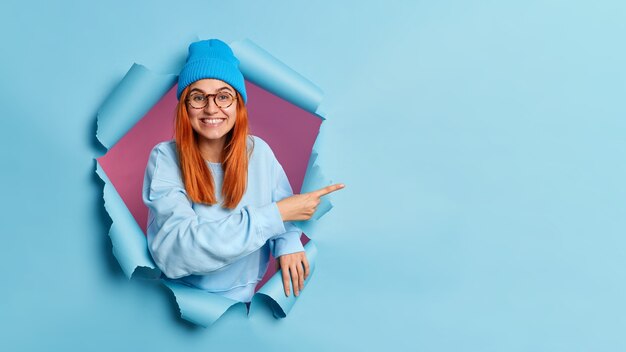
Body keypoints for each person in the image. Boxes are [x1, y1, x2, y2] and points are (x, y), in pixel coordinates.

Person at [142, 39, 344, 304]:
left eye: (223, 96)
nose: (211, 108)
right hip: (182, 302)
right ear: (185, 107)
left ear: (238, 104)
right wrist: (278, 213)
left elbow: (284, 218)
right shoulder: (165, 158)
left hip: (244, 305)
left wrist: (288, 243)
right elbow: (180, 252)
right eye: (198, 97)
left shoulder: (258, 152)